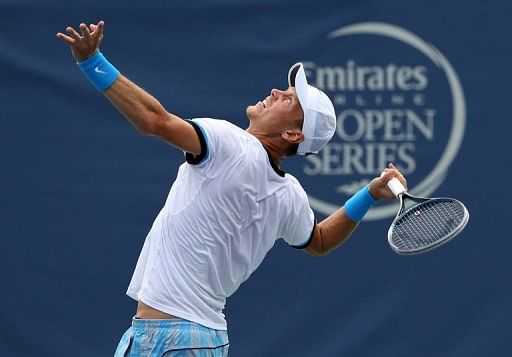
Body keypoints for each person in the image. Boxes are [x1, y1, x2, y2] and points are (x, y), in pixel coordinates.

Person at [57, 20, 407, 357]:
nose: (274, 92)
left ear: (292, 135)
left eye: (287, 99)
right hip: (205, 338)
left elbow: (154, 121)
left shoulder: (228, 142)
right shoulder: (291, 196)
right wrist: (370, 195)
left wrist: (92, 62)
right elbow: (318, 241)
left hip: (167, 338)